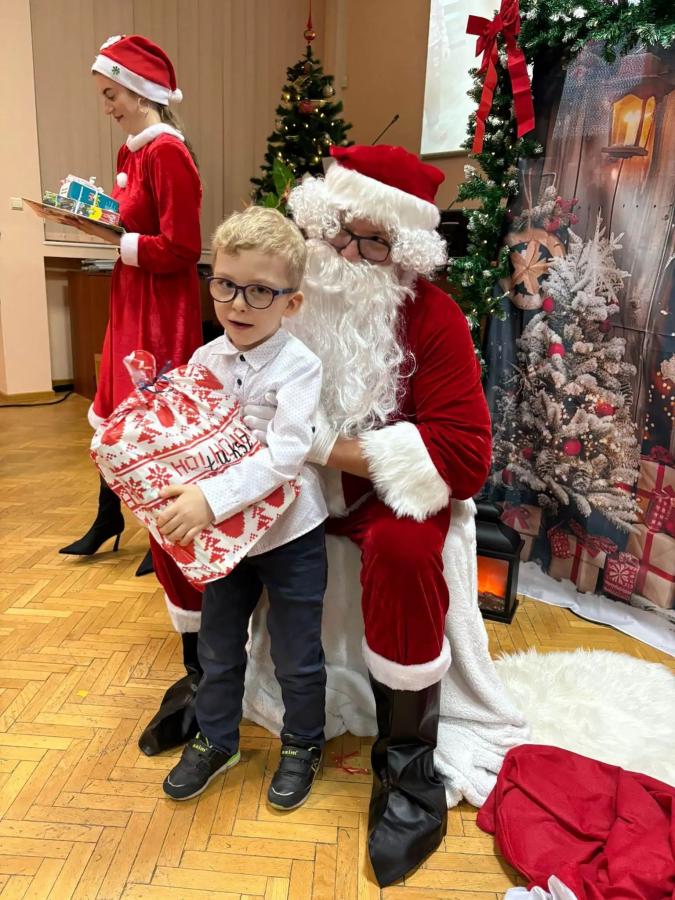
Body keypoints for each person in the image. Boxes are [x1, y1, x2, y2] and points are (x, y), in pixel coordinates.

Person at [243, 145, 494, 885]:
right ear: (317, 221)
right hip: (289, 480)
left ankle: (408, 763)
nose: (348, 253)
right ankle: (208, 683)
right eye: (339, 231)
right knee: (199, 512)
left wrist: (323, 446)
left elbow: (463, 456)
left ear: (404, 249)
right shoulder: (286, 292)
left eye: (374, 241)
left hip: (383, 492)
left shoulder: (433, 317)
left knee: (404, 549)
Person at [59, 34, 206, 745]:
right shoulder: (132, 152)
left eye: (111, 93)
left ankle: (163, 534)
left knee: (152, 426)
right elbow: (132, 221)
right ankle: (118, 520)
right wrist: (91, 220)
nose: (107, 106)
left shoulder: (170, 152)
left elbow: (182, 247)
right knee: (115, 417)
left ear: (141, 90)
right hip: (131, 297)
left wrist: (114, 241)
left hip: (160, 308)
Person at [160, 207, 329, 809]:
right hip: (225, 541)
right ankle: (216, 738)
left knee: (296, 652)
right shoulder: (204, 360)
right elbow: (188, 438)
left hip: (290, 536)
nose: (237, 303)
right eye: (225, 284)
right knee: (217, 644)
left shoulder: (300, 366)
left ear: (292, 302)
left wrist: (211, 497)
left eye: (260, 290)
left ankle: (303, 744)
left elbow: (287, 456)